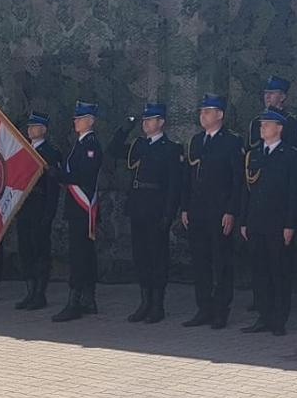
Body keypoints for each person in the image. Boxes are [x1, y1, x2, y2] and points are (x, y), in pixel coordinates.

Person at [116, 103, 184, 324]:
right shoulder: (139, 145)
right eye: (144, 119)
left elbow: (174, 185)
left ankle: (157, 304)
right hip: (138, 207)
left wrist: (169, 214)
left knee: (158, 257)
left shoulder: (171, 148)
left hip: (157, 208)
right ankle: (144, 301)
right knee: (141, 256)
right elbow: (113, 151)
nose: (145, 123)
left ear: (161, 122)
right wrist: (125, 129)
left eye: (150, 119)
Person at [239, 107, 297, 336]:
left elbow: (294, 193)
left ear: (279, 128)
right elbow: (247, 190)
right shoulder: (254, 154)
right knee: (259, 272)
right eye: (261, 124)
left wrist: (290, 224)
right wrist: (244, 220)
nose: (262, 128)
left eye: (267, 124)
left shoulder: (290, 155)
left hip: (278, 223)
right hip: (256, 221)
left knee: (279, 272)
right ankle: (263, 316)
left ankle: (279, 318)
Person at [180, 94, 243, 329]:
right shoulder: (196, 141)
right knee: (200, 262)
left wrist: (231, 211)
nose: (202, 115)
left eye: (207, 111)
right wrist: (185, 207)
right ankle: (203, 308)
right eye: (201, 111)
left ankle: (221, 310)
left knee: (221, 262)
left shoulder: (231, 142)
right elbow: (188, 177)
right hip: (197, 211)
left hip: (219, 211)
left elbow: (237, 180)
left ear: (220, 115)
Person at [53, 102, 104, 322]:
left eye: (80, 118)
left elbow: (85, 175)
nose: (75, 121)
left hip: (83, 207)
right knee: (82, 253)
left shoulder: (91, 146)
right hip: (76, 207)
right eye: (75, 118)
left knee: (80, 254)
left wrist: (59, 176)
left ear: (90, 121)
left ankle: (76, 300)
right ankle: (87, 299)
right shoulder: (78, 144)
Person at [14, 112, 63, 310]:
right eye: (29, 126)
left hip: (40, 206)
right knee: (25, 249)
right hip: (24, 206)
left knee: (40, 251)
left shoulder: (51, 153)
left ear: (43, 129)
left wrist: (49, 214)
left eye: (34, 126)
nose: (30, 129)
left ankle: (39, 293)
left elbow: (52, 188)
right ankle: (29, 290)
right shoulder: (23, 151)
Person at [247, 76, 297, 150]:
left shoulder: (291, 122)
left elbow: (293, 150)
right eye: (266, 93)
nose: (267, 96)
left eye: (271, 93)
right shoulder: (256, 122)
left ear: (282, 97)